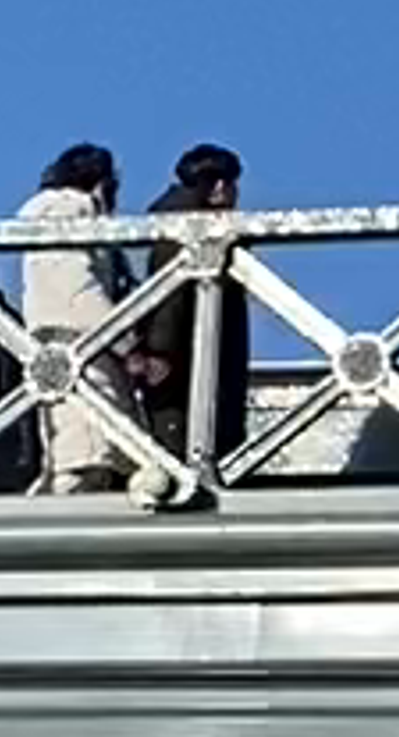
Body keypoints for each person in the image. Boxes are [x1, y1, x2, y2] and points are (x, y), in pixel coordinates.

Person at [16, 141, 142, 489]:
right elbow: (77, 288)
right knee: (85, 457)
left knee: (83, 455)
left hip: (64, 351)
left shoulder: (51, 215)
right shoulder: (70, 212)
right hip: (82, 351)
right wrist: (126, 343)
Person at [122, 144, 248, 479]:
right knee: (186, 462)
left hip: (188, 371)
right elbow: (169, 301)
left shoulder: (174, 224)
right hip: (186, 379)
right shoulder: (188, 231)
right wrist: (160, 355)